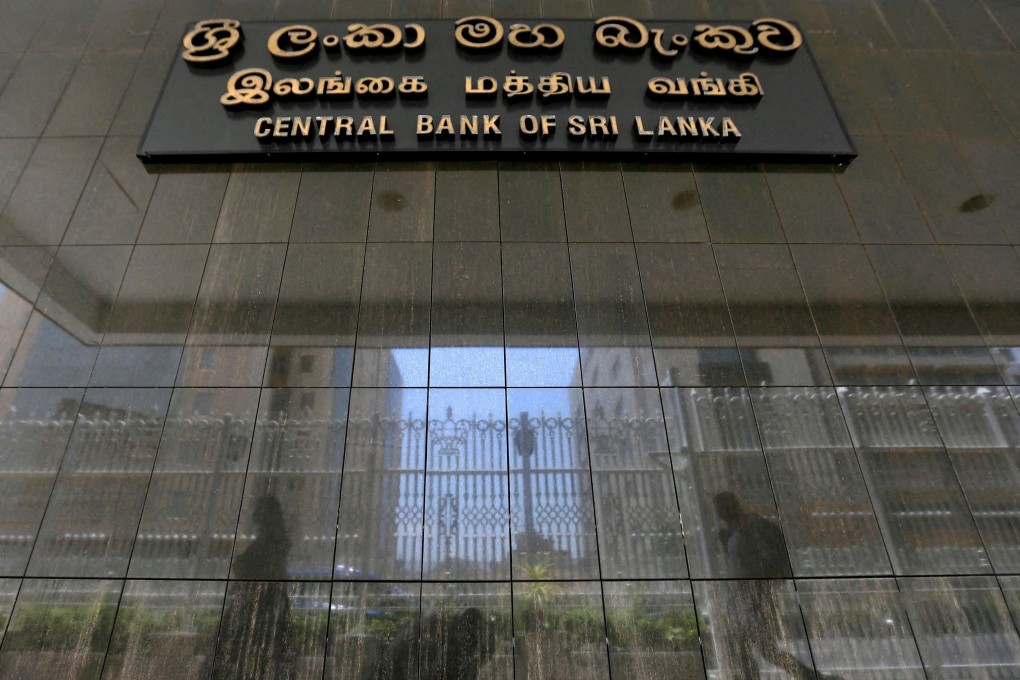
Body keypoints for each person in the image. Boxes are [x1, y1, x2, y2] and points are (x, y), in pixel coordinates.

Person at [712, 491, 840, 680]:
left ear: (731, 506)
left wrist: (764, 588)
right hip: (742, 598)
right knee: (754, 648)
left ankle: (811, 676)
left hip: (754, 596)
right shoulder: (734, 532)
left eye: (720, 508)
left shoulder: (752, 526)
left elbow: (766, 558)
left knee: (755, 647)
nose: (719, 513)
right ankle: (811, 676)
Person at [206, 495, 295, 680]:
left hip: (261, 601)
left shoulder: (270, 542)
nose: (256, 519)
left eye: (260, 513)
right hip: (265, 601)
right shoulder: (274, 541)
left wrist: (242, 565)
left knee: (236, 648)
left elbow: (260, 569)